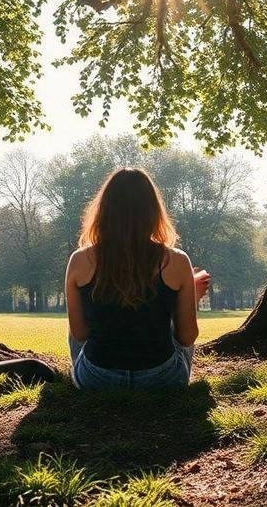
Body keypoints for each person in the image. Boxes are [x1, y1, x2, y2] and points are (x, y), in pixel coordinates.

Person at [65, 167, 211, 389]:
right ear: (153, 211)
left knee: (77, 321)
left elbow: (79, 333)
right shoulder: (177, 261)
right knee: (176, 325)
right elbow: (187, 337)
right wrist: (190, 299)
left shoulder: (79, 260)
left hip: (96, 380)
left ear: (103, 210)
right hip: (163, 380)